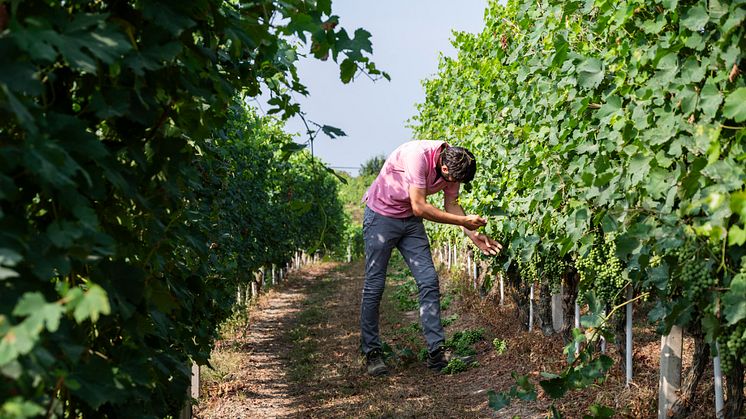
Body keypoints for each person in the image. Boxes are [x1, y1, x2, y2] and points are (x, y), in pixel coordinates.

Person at [360, 140, 502, 376]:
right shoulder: (417, 156)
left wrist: (474, 235)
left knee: (428, 281)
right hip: (381, 218)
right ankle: (372, 353)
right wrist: (463, 222)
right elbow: (419, 206)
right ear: (444, 169)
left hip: (410, 223)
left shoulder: (455, 163)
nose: (454, 185)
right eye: (453, 181)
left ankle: (437, 353)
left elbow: (452, 204)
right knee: (374, 286)